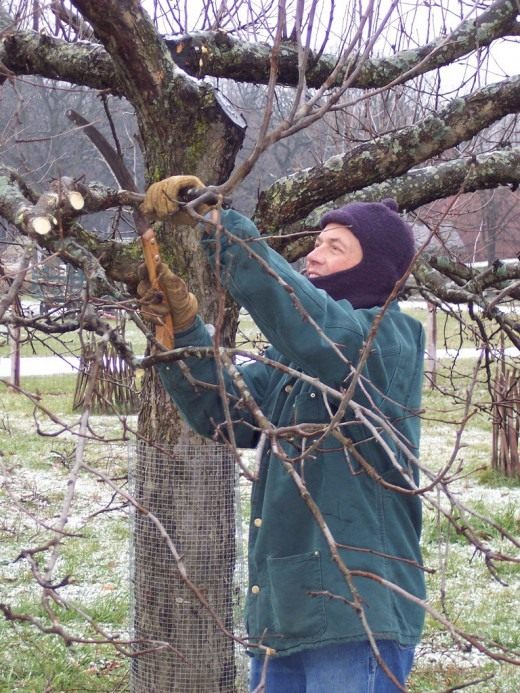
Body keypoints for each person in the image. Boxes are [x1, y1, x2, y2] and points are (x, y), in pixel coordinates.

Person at [138, 176, 426, 692]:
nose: (313, 255)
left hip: (357, 614)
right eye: (316, 242)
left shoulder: (386, 341)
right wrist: (181, 330)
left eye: (334, 246)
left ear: (375, 267)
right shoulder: (295, 360)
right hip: (284, 617)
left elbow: (319, 333)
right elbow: (221, 411)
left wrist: (218, 223)